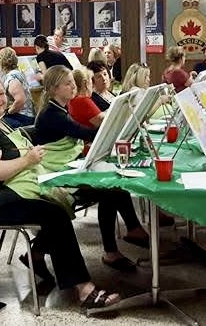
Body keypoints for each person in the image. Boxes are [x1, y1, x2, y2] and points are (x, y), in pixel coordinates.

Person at [0, 75, 122, 308]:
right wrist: (27, 160)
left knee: (59, 206)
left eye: (0, 94)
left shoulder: (0, 123)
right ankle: (83, 289)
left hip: (13, 191)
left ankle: (37, 256)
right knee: (55, 215)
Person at [33, 65, 150, 272]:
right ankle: (114, 249)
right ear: (54, 89)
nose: (73, 86)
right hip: (54, 174)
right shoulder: (53, 114)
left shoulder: (61, 108)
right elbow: (87, 135)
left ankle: (131, 231)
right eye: (67, 83)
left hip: (66, 166)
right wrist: (118, 121)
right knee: (109, 189)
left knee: (114, 184)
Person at [0, 47, 35, 128]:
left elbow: (20, 100)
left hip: (22, 117)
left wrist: (8, 112)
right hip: (26, 116)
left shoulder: (12, 77)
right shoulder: (17, 73)